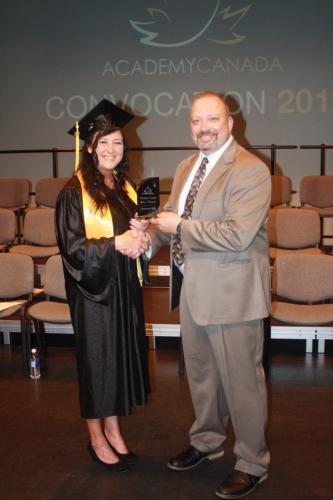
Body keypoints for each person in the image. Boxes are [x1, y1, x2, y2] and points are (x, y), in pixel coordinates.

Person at [149, 91, 271, 498]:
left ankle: (253, 461)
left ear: (230, 123)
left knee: (242, 384)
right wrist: (143, 238)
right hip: (191, 288)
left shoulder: (251, 170)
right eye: (196, 121)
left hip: (233, 294)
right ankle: (206, 441)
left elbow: (236, 235)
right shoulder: (187, 166)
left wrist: (177, 224)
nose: (203, 128)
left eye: (211, 119)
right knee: (202, 376)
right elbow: (166, 219)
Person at [55, 100, 150, 472]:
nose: (112, 149)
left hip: (123, 287)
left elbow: (129, 233)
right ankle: (95, 436)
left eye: (118, 143)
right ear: (90, 146)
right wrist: (116, 244)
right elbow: (73, 248)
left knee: (116, 361)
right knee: (97, 363)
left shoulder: (123, 186)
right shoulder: (73, 192)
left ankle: (114, 428)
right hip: (93, 292)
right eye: (104, 142)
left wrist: (141, 237)